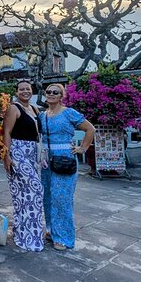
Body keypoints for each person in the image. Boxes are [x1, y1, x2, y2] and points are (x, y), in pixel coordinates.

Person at [39, 83, 95, 251]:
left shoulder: (69, 113)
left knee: (61, 198)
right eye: (48, 91)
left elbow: (90, 129)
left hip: (64, 159)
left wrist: (82, 148)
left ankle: (63, 237)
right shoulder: (42, 115)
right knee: (47, 197)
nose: (51, 94)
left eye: (55, 92)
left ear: (61, 96)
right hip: (46, 160)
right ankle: (51, 230)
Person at [3, 79, 43, 251]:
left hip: (32, 154)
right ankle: (28, 236)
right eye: (22, 89)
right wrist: (6, 156)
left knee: (25, 196)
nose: (25, 91)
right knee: (35, 191)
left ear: (32, 91)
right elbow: (7, 132)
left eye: (28, 88)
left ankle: (25, 233)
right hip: (18, 152)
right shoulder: (14, 108)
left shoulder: (35, 109)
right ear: (17, 92)